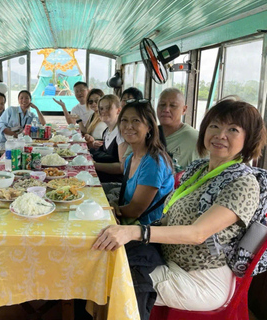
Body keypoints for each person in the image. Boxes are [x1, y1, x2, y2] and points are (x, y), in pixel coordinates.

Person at [93, 99, 267, 312]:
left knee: (114, 276)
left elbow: (197, 233)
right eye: (214, 126)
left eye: (233, 129)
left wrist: (135, 231)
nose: (220, 135)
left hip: (200, 277)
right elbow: (169, 215)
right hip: (166, 256)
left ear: (249, 138)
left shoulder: (243, 183)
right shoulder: (199, 169)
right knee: (104, 258)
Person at [114, 100, 174, 225]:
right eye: (124, 120)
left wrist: (109, 209)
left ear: (149, 127)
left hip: (146, 232)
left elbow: (135, 211)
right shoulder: (131, 158)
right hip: (129, 223)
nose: (129, 126)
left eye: (136, 121)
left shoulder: (153, 162)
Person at [157, 88, 199, 170]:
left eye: (173, 106)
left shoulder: (194, 138)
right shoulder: (147, 135)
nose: (166, 110)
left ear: (184, 110)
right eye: (162, 104)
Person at [87, 95, 127, 183]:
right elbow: (106, 154)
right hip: (103, 176)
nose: (103, 111)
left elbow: (121, 168)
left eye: (108, 108)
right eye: (101, 108)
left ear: (118, 110)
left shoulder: (121, 133)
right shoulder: (107, 131)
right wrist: (92, 145)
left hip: (114, 182)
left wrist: (94, 165)